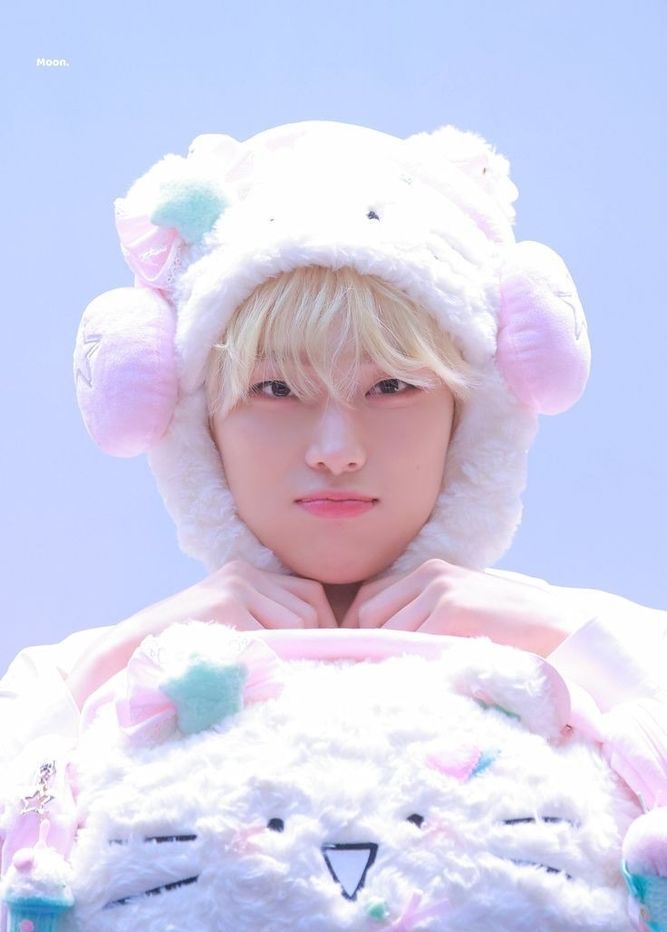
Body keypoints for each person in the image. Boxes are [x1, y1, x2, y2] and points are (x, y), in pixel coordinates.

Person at [1, 118, 665, 770]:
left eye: (392, 385)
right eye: (275, 389)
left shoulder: (617, 647)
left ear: (472, 417)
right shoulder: (62, 679)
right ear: (195, 425)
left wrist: (577, 649)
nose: (336, 451)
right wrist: (115, 669)